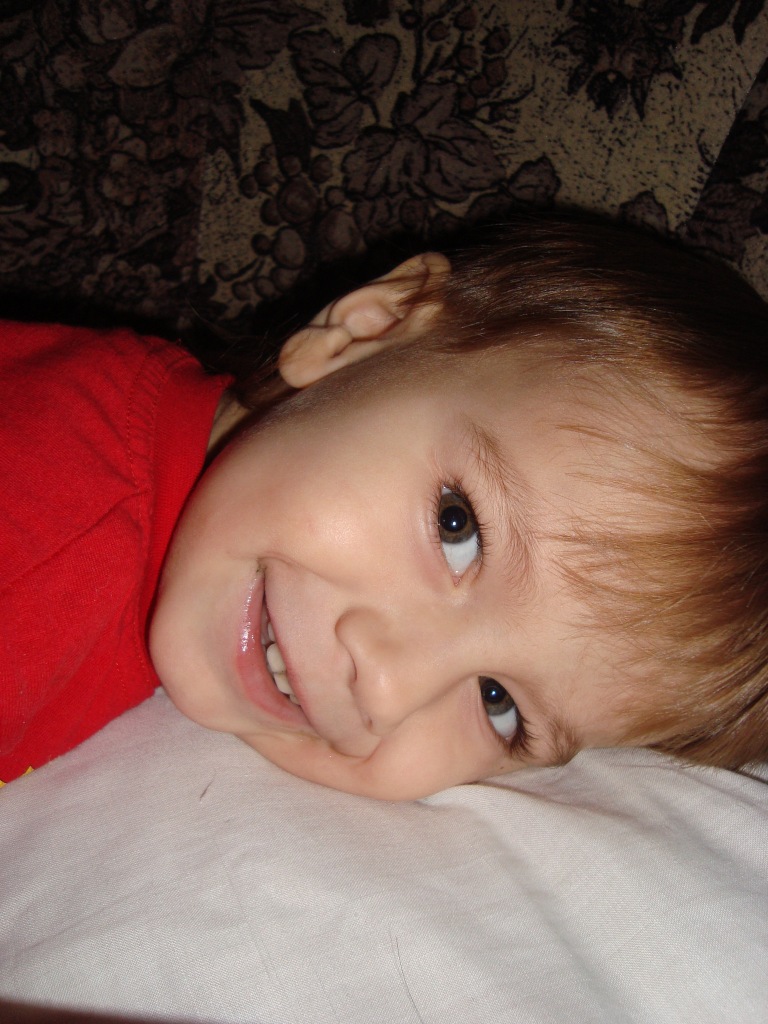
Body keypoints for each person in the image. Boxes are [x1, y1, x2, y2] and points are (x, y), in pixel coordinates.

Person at [3, 213, 768, 800]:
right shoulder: (46, 515)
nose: (391, 685)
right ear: (366, 331)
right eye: (457, 527)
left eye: (500, 704)